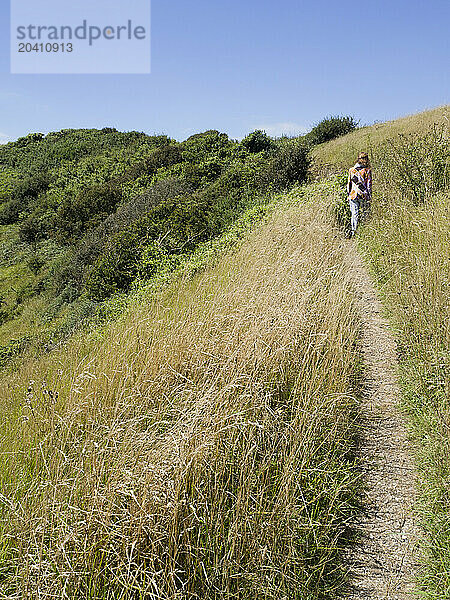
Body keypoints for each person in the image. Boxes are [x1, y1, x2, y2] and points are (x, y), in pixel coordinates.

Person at [347, 152, 372, 237]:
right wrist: (369, 196)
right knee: (365, 214)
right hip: (363, 195)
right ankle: (365, 233)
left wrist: (348, 195)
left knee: (354, 214)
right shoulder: (367, 170)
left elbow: (349, 184)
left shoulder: (351, 170)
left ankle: (354, 233)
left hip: (353, 195)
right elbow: (369, 185)